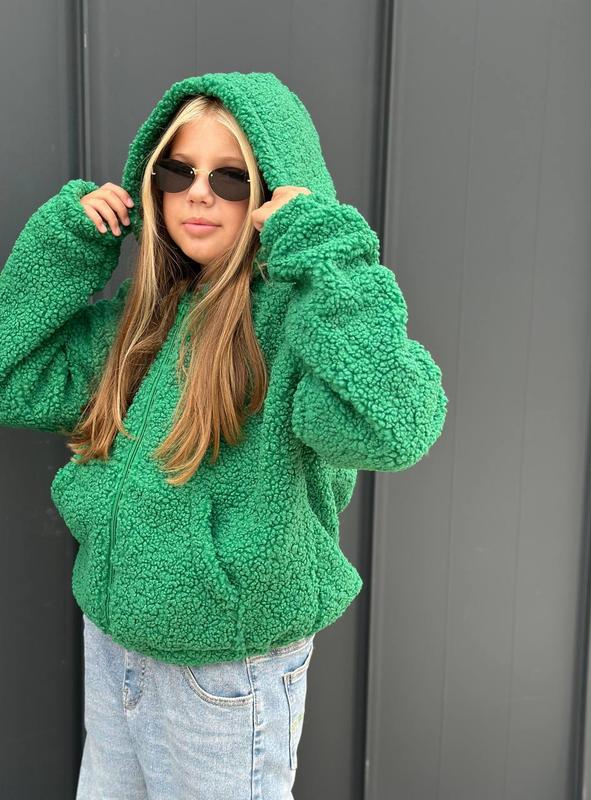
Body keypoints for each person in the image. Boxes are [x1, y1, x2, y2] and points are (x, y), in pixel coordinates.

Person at [0, 71, 448, 798]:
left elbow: (393, 426)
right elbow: (8, 374)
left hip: (223, 675)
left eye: (231, 178)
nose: (199, 194)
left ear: (274, 193)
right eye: (178, 172)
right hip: (115, 648)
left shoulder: (299, 329)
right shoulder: (139, 320)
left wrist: (323, 248)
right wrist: (66, 248)